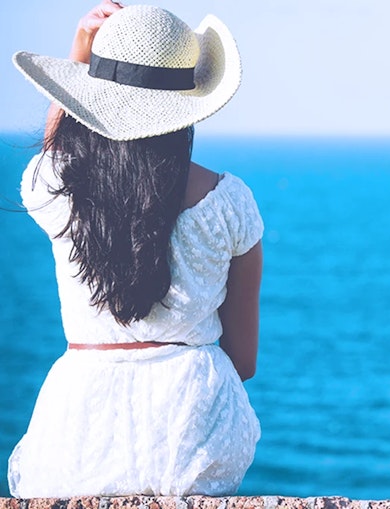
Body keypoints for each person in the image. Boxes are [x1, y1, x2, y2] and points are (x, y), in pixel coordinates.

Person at [8, 1, 263, 498]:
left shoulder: (52, 188)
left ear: (93, 97)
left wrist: (80, 55)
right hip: (195, 430)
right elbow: (244, 361)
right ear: (190, 100)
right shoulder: (230, 203)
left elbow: (58, 153)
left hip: (78, 427)